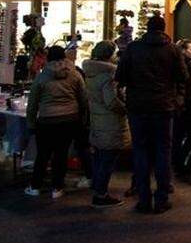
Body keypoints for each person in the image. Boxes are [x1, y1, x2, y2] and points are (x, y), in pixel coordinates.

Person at [115, 15, 190, 214]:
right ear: (164, 28)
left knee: (140, 151)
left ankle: (143, 198)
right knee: (163, 151)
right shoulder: (172, 49)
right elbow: (183, 76)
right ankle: (162, 197)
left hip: (138, 107)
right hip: (164, 107)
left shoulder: (133, 49)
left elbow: (120, 76)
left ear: (146, 29)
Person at [26, 46, 89, 199]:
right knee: (61, 154)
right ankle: (57, 187)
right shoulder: (74, 74)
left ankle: (35, 186)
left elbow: (33, 102)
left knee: (43, 154)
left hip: (47, 120)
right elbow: (83, 98)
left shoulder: (42, 77)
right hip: (69, 119)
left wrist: (31, 123)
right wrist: (83, 118)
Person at [83, 41, 129, 207]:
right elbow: (111, 101)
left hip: (97, 119)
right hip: (110, 121)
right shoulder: (108, 74)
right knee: (108, 158)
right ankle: (101, 195)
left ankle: (97, 188)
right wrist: (125, 108)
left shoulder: (90, 72)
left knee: (100, 156)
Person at [171, 39, 191, 177]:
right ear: (183, 50)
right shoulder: (184, 65)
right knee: (188, 134)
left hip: (183, 104)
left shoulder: (187, 63)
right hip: (185, 104)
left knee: (179, 134)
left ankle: (178, 162)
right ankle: (181, 163)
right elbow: (187, 84)